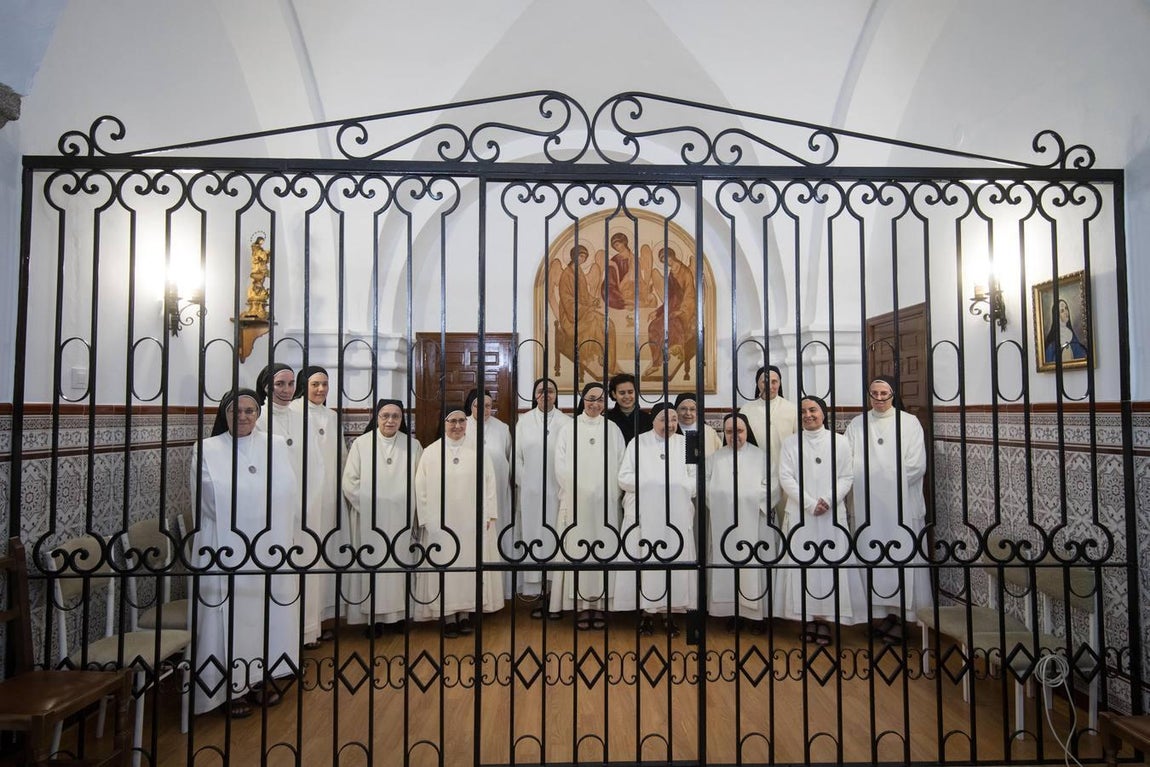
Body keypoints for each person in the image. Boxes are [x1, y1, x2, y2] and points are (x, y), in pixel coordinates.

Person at [190, 388, 300, 718]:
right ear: (224, 414)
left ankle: (257, 679)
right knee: (224, 616)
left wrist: (252, 504)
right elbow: (210, 499)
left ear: (258, 414)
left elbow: (286, 489)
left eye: (250, 410)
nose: (243, 416)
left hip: (266, 544)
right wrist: (253, 502)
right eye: (236, 411)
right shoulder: (207, 449)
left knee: (261, 613)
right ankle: (225, 688)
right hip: (224, 545)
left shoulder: (275, 446)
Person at [845, 376, 932, 642]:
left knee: (902, 559)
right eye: (874, 394)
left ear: (893, 394)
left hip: (900, 506)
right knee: (873, 559)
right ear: (868, 395)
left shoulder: (908, 423)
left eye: (885, 394)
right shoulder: (857, 425)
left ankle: (902, 620)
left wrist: (881, 482)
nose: (879, 399)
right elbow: (845, 461)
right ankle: (882, 615)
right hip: (867, 507)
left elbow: (916, 465)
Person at [775, 395, 864, 646]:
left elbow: (847, 476)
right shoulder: (791, 443)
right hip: (802, 513)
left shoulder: (840, 442)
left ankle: (825, 621)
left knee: (828, 565)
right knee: (803, 565)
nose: (808, 415)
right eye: (803, 411)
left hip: (831, 514)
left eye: (813, 410)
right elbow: (786, 477)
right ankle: (807, 617)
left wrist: (827, 499)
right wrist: (809, 503)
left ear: (823, 413)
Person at [413, 407, 504, 636]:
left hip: (470, 523)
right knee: (445, 567)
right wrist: (426, 519)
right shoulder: (431, 453)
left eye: (462, 421)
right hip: (440, 524)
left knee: (467, 568)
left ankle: (465, 614)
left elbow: (490, 485)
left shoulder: (478, 452)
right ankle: (446, 615)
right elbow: (420, 488)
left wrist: (489, 515)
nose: (457, 426)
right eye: (452, 420)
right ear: (443, 423)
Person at [611, 402, 696, 636]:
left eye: (673, 420)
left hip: (676, 514)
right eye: (663, 419)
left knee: (673, 561)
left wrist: (675, 486)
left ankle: (671, 612)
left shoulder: (688, 442)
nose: (669, 424)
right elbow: (624, 478)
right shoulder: (638, 442)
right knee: (646, 562)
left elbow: (695, 481)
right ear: (653, 421)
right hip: (645, 515)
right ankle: (646, 614)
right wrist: (653, 484)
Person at [342, 399, 422, 637]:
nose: (390, 421)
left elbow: (421, 481)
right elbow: (349, 482)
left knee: (398, 568)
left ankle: (398, 617)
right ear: (376, 417)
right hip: (370, 521)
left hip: (401, 520)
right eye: (385, 415)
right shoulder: (361, 445)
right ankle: (372, 620)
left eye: (395, 416)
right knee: (372, 568)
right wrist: (371, 505)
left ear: (402, 419)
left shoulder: (413, 445)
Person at [549, 382, 626, 629]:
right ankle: (582, 606)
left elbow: (621, 463)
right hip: (577, 501)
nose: (595, 404)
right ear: (583, 399)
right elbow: (560, 465)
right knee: (578, 551)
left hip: (605, 503)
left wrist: (609, 493)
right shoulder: (568, 428)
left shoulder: (612, 429)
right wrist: (578, 490)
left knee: (604, 550)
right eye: (591, 399)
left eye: (601, 400)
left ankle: (600, 605)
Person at [706, 412, 775, 629]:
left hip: (754, 521)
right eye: (728, 431)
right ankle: (732, 612)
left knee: (754, 566)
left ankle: (757, 616)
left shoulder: (761, 456)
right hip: (723, 521)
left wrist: (748, 500)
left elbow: (773, 487)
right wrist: (722, 500)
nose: (734, 435)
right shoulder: (715, 458)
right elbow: (706, 486)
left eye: (739, 431)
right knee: (728, 566)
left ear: (747, 432)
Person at [291, 365, 344, 647]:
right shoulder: (293, 412)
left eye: (325, 384)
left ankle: (318, 624)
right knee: (304, 561)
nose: (321, 389)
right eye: (315, 384)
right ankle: (300, 629)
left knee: (324, 560)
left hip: (328, 499)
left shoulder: (332, 416)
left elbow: (340, 456)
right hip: (303, 501)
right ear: (304, 385)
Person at [514, 377, 571, 614]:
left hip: (558, 491)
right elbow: (517, 458)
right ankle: (537, 591)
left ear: (556, 395)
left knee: (555, 538)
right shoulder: (523, 422)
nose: (545, 395)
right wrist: (525, 481)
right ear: (534, 395)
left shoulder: (567, 422)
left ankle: (553, 592)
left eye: (550, 391)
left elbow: (569, 458)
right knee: (534, 538)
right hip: (531, 493)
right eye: (540, 391)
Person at [464, 388, 513, 598]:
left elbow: (508, 458)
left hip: (498, 493)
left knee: (496, 536)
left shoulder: (502, 428)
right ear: (470, 406)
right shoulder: (461, 425)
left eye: (487, 405)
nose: (484, 409)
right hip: (468, 496)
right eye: (478, 405)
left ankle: (496, 592)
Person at [740, 365, 798, 525]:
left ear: (779, 383)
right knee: (760, 523)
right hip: (756, 477)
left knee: (787, 522)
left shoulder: (792, 409)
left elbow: (798, 444)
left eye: (774, 381)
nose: (770, 386)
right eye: (765, 381)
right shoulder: (746, 410)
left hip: (786, 474)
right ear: (757, 384)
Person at [605, 373, 652, 444]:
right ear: (614, 394)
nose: (627, 396)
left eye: (630, 392)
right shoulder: (606, 419)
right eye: (622, 393)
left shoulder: (648, 419)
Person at [674, 392, 721, 461]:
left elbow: (719, 455)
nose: (688, 413)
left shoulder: (709, 432)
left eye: (692, 409)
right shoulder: (671, 430)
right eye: (683, 409)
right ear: (676, 411)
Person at [1043, 297, 1088, 364]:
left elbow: (1081, 356)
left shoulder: (1072, 335)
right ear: (1057, 315)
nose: (1066, 312)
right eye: (1062, 311)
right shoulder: (1052, 343)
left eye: (1066, 308)